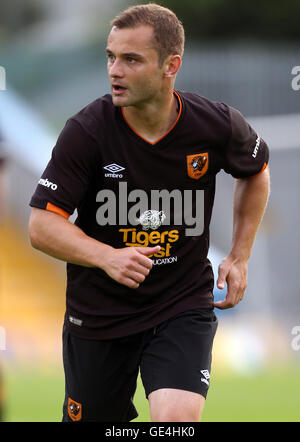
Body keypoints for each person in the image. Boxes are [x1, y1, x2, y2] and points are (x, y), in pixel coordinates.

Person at [28, 3, 270, 422]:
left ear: (170, 65)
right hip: (100, 313)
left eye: (131, 59)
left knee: (176, 422)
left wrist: (240, 255)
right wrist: (106, 256)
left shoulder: (216, 126)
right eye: (111, 57)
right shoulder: (86, 132)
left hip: (181, 302)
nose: (114, 71)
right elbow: (41, 225)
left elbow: (257, 172)